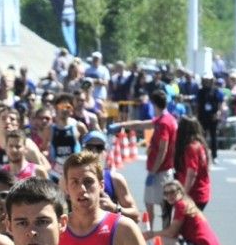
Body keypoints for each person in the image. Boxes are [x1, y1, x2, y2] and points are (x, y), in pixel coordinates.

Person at [118, 89, 178, 226]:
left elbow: (163, 149)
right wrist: (123, 125)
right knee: (150, 201)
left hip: (160, 170)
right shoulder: (165, 119)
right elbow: (142, 124)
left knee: (162, 204)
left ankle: (159, 232)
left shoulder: (164, 123)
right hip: (160, 169)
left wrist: (153, 171)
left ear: (153, 104)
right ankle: (155, 230)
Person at [78, 130, 140, 223]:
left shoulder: (114, 179)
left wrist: (114, 208)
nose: (94, 152)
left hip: (107, 234)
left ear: (105, 152)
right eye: (90, 147)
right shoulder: (70, 178)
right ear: (82, 150)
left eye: (99, 148)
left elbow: (136, 216)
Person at [173, 117, 211, 211]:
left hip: (193, 194)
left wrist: (184, 194)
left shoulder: (191, 148)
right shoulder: (201, 145)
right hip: (202, 191)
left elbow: (191, 173)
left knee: (185, 224)